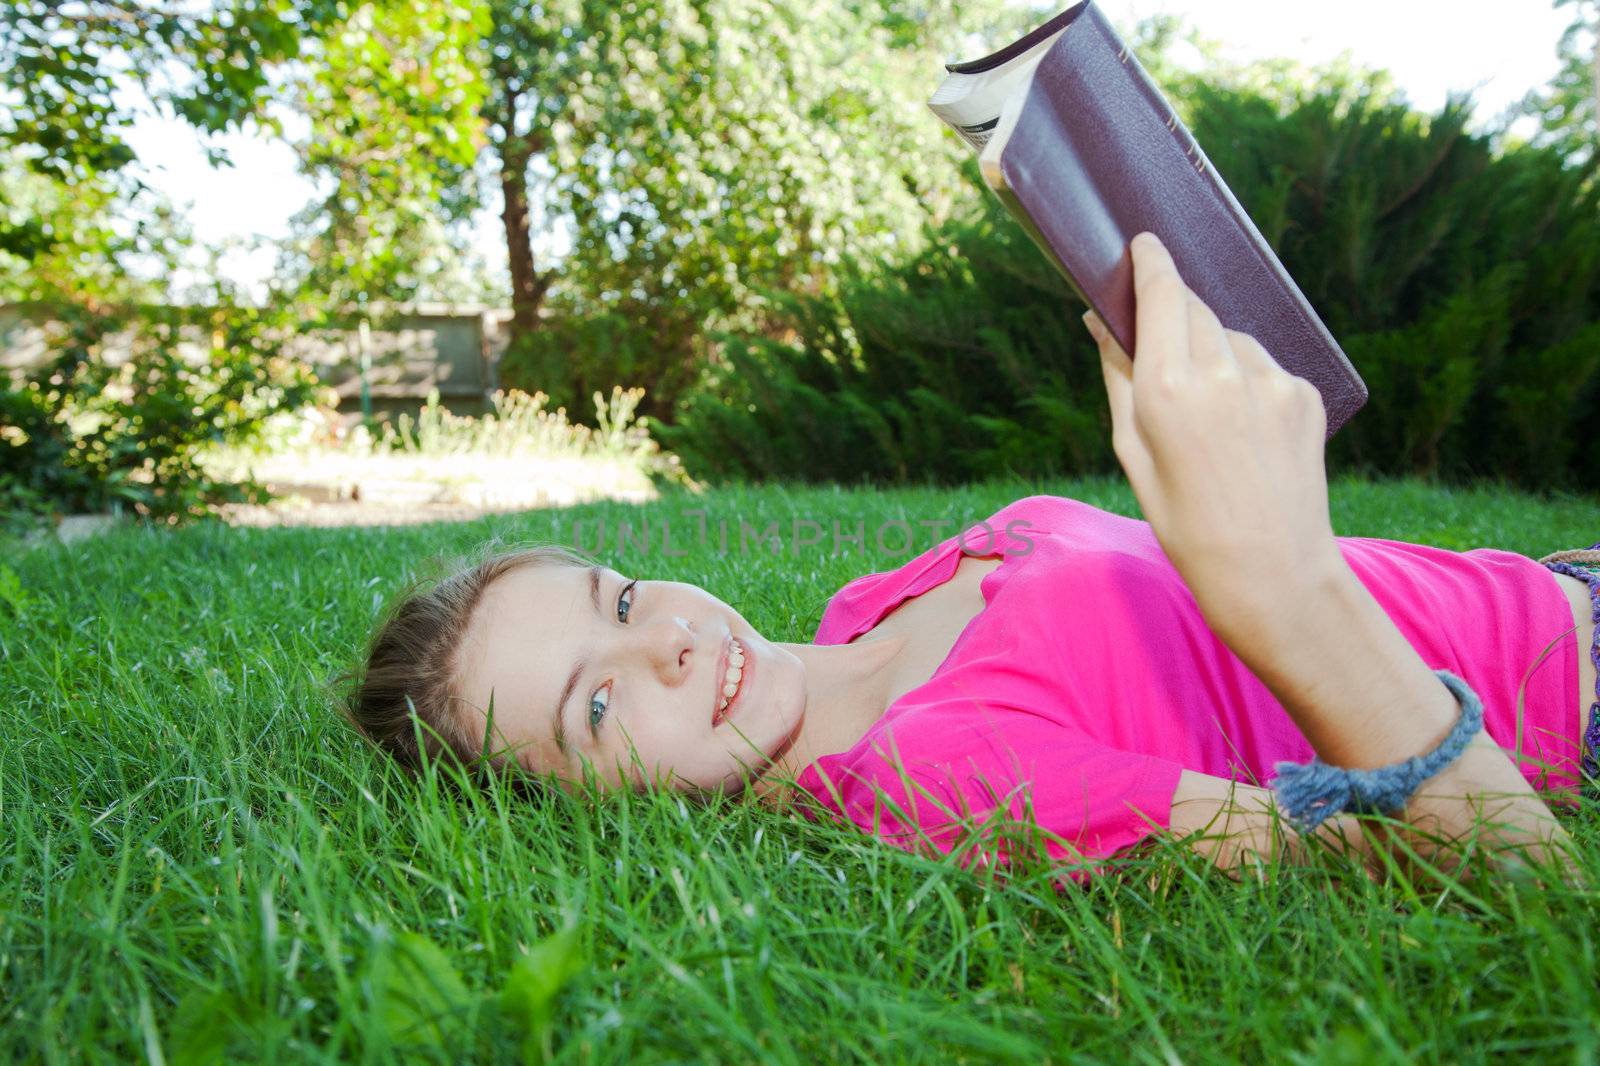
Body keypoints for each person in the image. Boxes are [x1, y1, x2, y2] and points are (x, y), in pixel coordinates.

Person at [346, 234, 1600, 878]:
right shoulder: (933, 783)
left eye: (617, 597)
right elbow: (1483, 867)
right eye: (599, 700)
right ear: (583, 816)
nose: (665, 637)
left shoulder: (864, 608)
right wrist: (1282, 582)